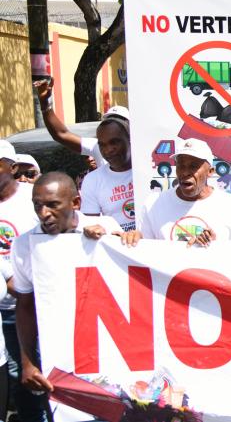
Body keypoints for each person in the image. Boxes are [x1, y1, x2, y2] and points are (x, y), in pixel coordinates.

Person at [12, 172, 137, 405]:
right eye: (37, 205)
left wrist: (114, 239)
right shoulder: (24, 246)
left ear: (76, 202)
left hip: (112, 352)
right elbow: (25, 306)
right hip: (62, 358)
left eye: (52, 205)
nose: (43, 213)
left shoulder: (106, 226)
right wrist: (28, 363)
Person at [0, 140, 44, 422]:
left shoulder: (33, 198)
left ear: (13, 168)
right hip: (3, 312)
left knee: (45, 374)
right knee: (18, 378)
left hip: (36, 306)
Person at [138, 139, 231, 245]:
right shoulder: (153, 204)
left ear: (210, 172)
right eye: (181, 165)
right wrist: (132, 241)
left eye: (193, 166)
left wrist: (214, 246)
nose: (185, 172)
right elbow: (144, 251)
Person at [35, 78, 127, 169]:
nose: (109, 150)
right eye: (109, 121)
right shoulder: (95, 146)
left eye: (120, 121)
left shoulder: (135, 147)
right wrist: (45, 105)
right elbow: (61, 134)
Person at [79, 112, 135, 231]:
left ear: (130, 139)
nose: (108, 150)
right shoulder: (92, 180)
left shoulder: (149, 170)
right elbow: (91, 227)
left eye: (114, 142)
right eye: (102, 145)